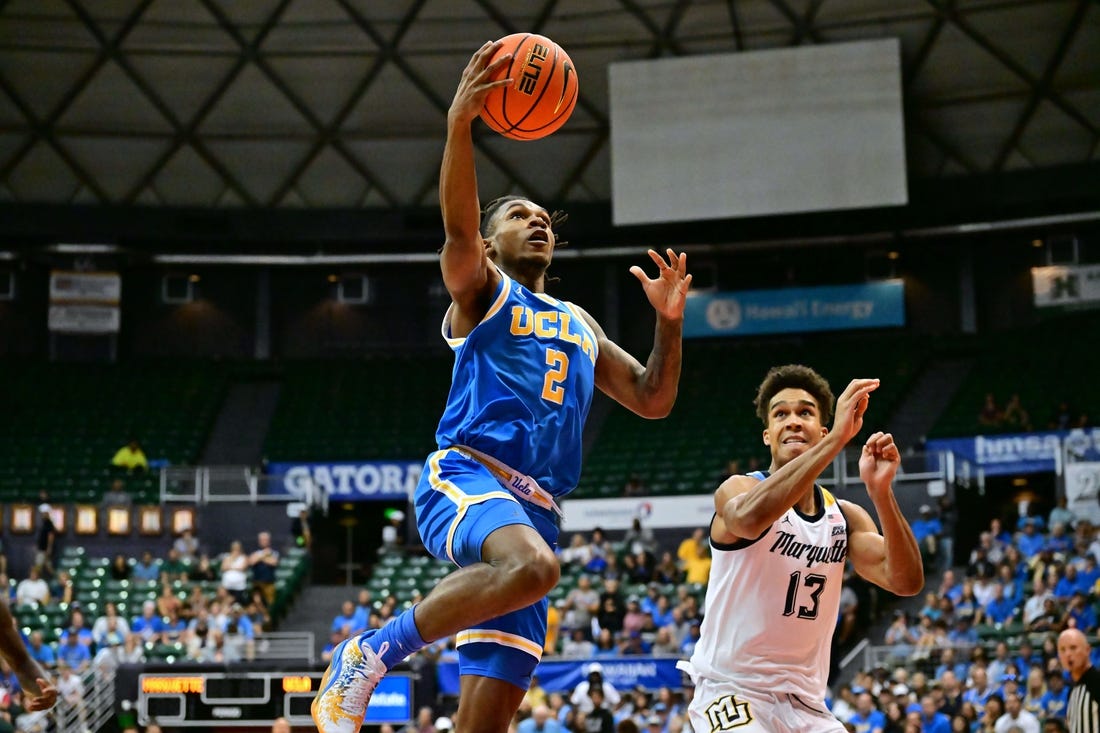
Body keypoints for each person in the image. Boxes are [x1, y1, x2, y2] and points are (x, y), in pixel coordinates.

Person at [312, 39, 691, 733]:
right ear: (488, 246)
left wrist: (668, 324)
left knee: (485, 723)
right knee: (536, 567)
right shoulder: (484, 291)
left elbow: (652, 398)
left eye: (544, 214)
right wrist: (461, 125)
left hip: (536, 510)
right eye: (518, 214)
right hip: (467, 476)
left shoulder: (578, 322)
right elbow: (457, 226)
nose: (538, 218)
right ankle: (369, 651)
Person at [680, 365, 924, 733]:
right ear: (767, 435)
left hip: (807, 704)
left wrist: (882, 494)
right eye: (781, 414)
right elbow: (748, 521)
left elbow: (905, 581)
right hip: (731, 692)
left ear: (822, 430)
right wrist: (837, 442)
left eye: (805, 413)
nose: (793, 421)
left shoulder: (845, 517)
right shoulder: (738, 489)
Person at [1058, 628, 1100, 732]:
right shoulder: (1072, 691)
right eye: (1062, 650)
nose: (1068, 654)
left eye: (1073, 648)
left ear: (1087, 650)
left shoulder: (1097, 681)